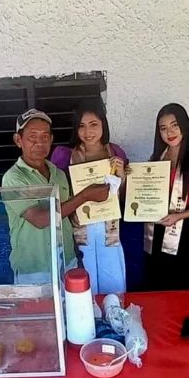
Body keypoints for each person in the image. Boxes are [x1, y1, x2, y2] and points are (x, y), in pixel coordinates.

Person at [2, 109, 109, 284]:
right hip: (34, 270)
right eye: (32, 136)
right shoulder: (13, 178)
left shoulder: (58, 173)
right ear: (18, 140)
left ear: (51, 140)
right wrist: (85, 195)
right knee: (39, 312)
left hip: (67, 262)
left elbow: (69, 212)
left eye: (45, 136)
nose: (39, 142)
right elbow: (41, 220)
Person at [124, 103, 189, 291]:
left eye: (175, 125)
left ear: (185, 125)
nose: (170, 132)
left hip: (180, 230)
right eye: (163, 128)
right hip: (155, 228)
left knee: (176, 282)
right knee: (154, 280)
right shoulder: (158, 157)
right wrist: (130, 177)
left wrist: (179, 215)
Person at [51, 99, 128, 295]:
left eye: (94, 124)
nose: (88, 132)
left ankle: (112, 322)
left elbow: (123, 198)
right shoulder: (64, 156)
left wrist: (122, 177)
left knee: (114, 287)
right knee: (84, 286)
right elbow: (58, 195)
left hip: (109, 230)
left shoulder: (116, 153)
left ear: (104, 124)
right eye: (82, 126)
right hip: (79, 232)